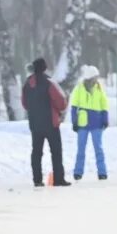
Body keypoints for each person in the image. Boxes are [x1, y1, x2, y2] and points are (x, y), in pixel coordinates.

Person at [21, 57, 71, 187]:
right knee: (56, 152)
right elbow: (61, 102)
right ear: (44, 68)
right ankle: (59, 179)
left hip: (35, 124)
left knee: (36, 152)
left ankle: (37, 180)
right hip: (50, 123)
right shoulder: (49, 83)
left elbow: (24, 104)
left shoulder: (27, 84)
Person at [70, 65, 110, 180]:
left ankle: (102, 172)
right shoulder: (79, 88)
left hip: (97, 123)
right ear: (90, 77)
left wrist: (105, 119)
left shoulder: (99, 88)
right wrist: (74, 121)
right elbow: (74, 106)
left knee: (98, 148)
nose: (97, 79)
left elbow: (104, 105)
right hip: (83, 123)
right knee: (81, 149)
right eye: (95, 77)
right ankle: (78, 172)